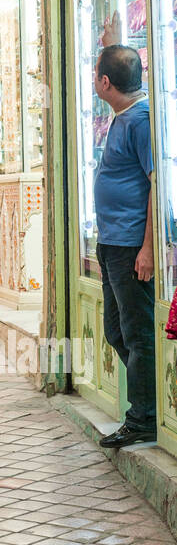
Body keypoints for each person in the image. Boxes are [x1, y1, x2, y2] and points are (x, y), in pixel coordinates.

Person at [91, 41, 156, 449]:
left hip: (132, 245)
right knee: (117, 331)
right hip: (112, 243)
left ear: (105, 82)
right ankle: (145, 407)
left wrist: (147, 249)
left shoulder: (139, 121)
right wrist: (110, 36)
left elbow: (158, 185)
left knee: (136, 335)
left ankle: (144, 418)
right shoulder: (122, 112)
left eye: (97, 75)